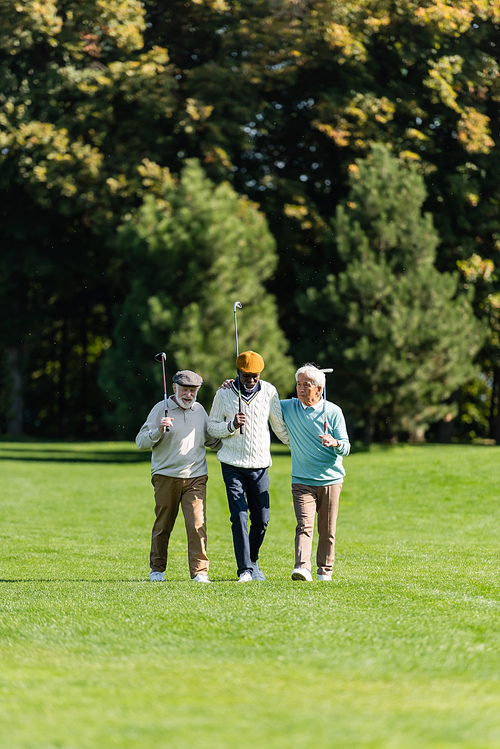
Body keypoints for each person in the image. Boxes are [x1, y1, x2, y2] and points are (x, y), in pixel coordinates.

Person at [207, 351, 289, 582]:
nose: (251, 380)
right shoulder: (223, 394)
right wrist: (231, 425)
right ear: (238, 373)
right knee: (239, 515)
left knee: (262, 519)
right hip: (232, 464)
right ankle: (244, 569)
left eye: (255, 375)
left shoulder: (269, 391)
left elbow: (278, 425)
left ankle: (253, 561)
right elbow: (212, 427)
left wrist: (298, 446)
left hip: (260, 464)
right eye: (246, 375)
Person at [136, 369, 221, 583]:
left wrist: (234, 434)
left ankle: (200, 572)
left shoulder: (201, 411)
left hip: (196, 476)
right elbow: (141, 442)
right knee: (163, 525)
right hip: (165, 476)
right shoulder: (160, 408)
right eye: (184, 390)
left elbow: (212, 441)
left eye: (193, 391)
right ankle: (157, 569)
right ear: (174, 388)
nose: (188, 395)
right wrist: (158, 430)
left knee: (196, 524)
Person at [280, 364, 350, 582]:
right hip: (302, 480)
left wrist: (335, 442)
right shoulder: (289, 407)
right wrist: (233, 385)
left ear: (319, 389)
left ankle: (325, 571)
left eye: (306, 385)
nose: (300, 389)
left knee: (327, 530)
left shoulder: (334, 412)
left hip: (330, 480)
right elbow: (263, 398)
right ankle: (302, 567)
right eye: (298, 384)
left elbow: (346, 447)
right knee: (304, 525)